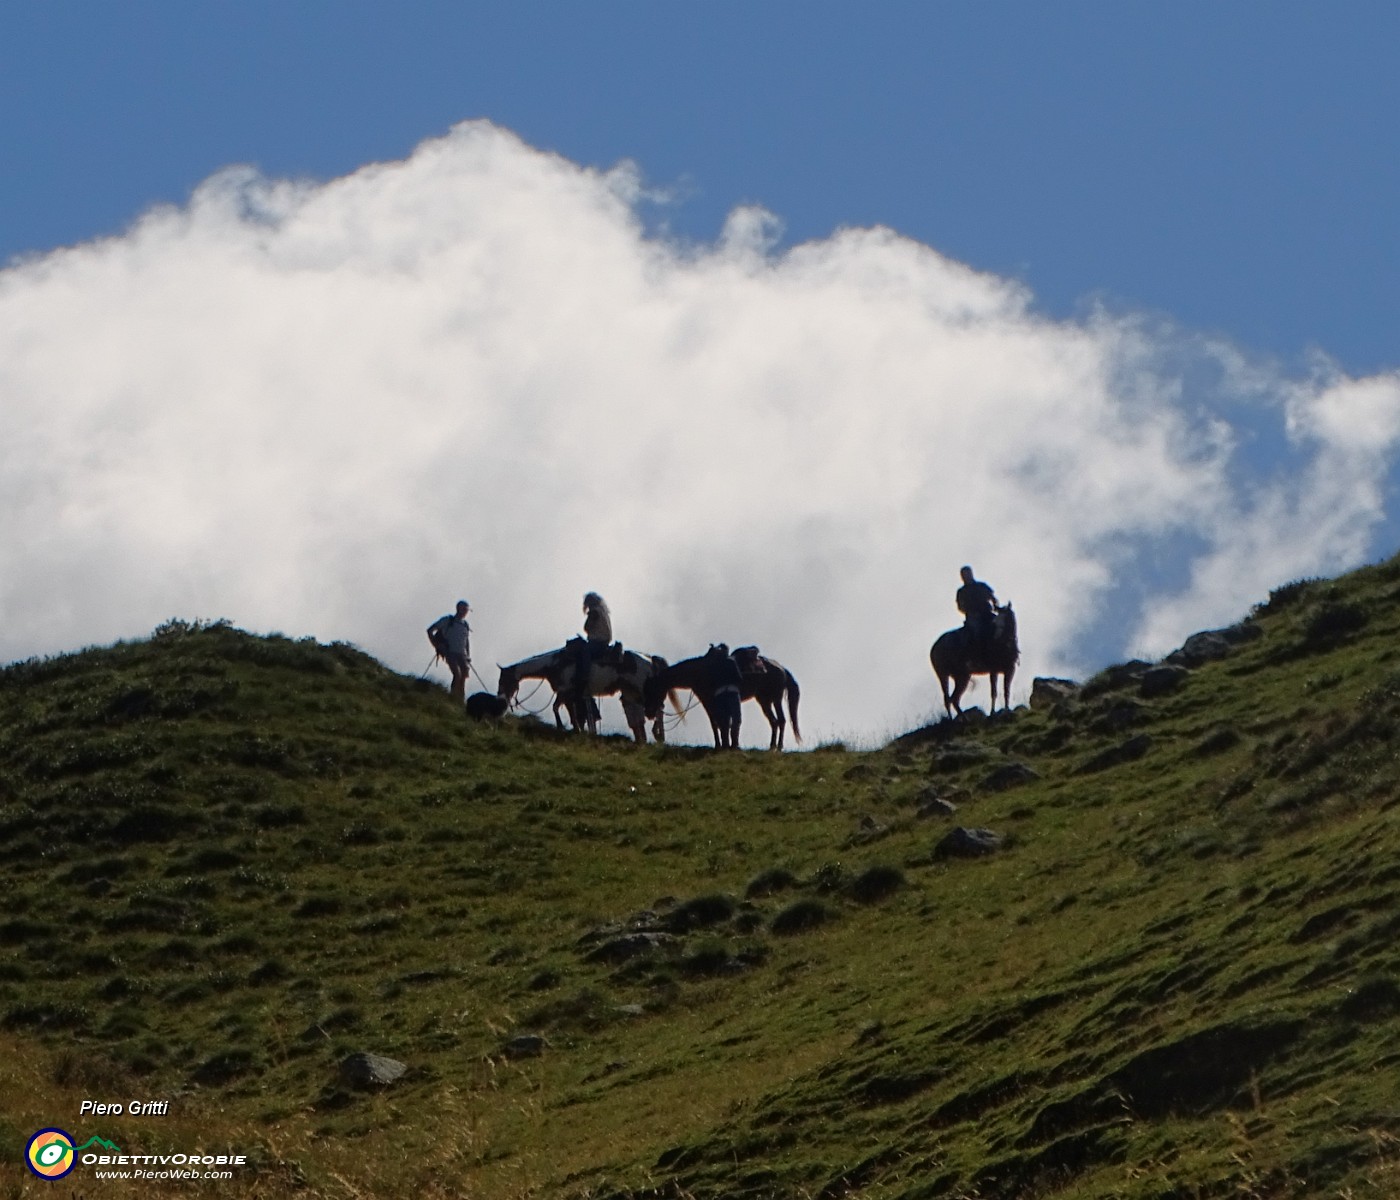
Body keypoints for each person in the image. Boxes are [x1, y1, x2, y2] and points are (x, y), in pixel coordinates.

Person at [427, 600, 472, 702]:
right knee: (457, 673)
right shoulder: (448, 620)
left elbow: (466, 641)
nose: (466, 612)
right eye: (464, 609)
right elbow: (430, 630)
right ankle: (453, 698)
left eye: (466, 610)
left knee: (464, 674)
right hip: (449, 652)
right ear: (458, 609)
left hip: (461, 654)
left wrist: (468, 655)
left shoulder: (465, 625)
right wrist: (437, 645)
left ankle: (460, 698)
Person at [572, 592, 613, 701]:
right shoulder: (603, 611)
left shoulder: (594, 611)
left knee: (584, 651)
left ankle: (584, 675)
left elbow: (587, 627)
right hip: (604, 642)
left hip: (597, 642)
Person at [955, 566, 998, 656]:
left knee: (1000, 627)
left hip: (987, 614)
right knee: (975, 633)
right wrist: (969, 611)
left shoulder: (981, 586)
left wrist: (995, 606)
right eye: (963, 575)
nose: (965, 577)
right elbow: (960, 607)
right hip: (973, 618)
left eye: (967, 574)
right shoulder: (961, 592)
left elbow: (992, 598)